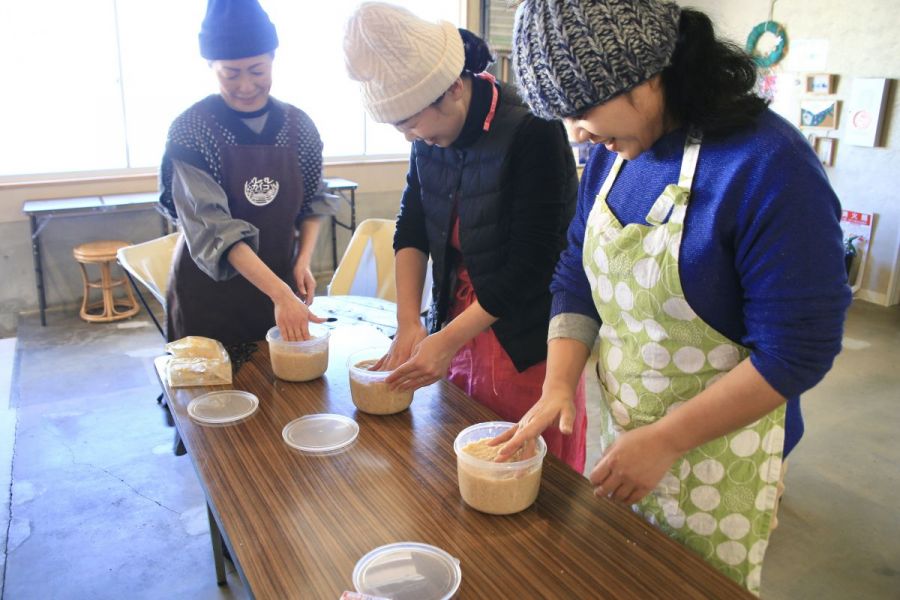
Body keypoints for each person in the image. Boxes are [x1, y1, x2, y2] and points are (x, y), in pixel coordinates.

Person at [494, 0, 851, 593]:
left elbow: (798, 349)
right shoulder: (613, 158)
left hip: (719, 456)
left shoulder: (766, 165)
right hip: (621, 433)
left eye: (582, 110)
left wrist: (667, 439)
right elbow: (575, 276)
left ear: (648, 72)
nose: (576, 133)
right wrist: (559, 383)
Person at [343, 2, 587, 473]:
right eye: (400, 128)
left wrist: (447, 338)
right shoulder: (426, 140)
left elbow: (534, 263)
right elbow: (411, 225)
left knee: (529, 470)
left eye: (413, 123)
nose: (410, 137)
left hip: (524, 337)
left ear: (453, 89)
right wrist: (411, 321)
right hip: (457, 325)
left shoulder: (533, 129)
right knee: (460, 454)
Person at [159, 0, 332, 346]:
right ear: (211, 65)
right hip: (209, 293)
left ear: (272, 60)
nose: (246, 85)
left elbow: (313, 202)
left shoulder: (299, 127)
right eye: (230, 73)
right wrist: (280, 294)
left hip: (278, 281)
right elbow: (213, 228)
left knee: (280, 391)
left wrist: (302, 261)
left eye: (257, 71)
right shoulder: (191, 130)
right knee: (209, 392)